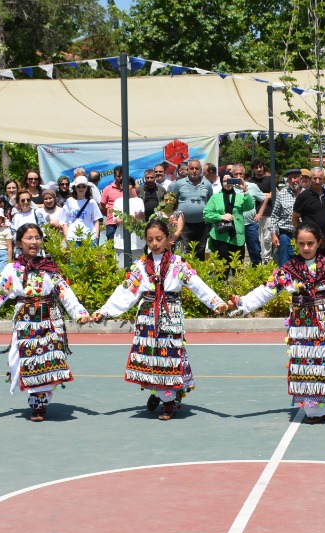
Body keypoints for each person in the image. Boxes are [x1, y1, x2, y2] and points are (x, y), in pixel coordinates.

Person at [88, 217, 236, 420]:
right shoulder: (141, 266)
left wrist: (215, 302)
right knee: (151, 356)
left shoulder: (178, 264)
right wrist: (104, 311)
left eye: (159, 239)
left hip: (170, 313)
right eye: (150, 240)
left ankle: (168, 401)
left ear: (168, 239)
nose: (155, 244)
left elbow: (197, 284)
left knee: (168, 356)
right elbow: (126, 292)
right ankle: (157, 393)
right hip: (148, 315)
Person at [230, 223, 325, 424]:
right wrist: (242, 304)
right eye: (301, 243)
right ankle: (314, 407)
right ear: (295, 243)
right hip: (301, 324)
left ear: (319, 243)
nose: (306, 248)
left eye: (310, 243)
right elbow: (266, 291)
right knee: (306, 364)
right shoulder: (289, 269)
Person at [0, 223, 92, 421]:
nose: (33, 242)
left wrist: (79, 313)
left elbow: (65, 292)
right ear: (19, 243)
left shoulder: (49, 268)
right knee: (20, 360)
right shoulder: (12, 269)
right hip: (25, 322)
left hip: (48, 320)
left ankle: (39, 404)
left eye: (37, 238)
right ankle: (36, 398)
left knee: (46, 361)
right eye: (29, 238)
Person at [203, 167, 253, 263]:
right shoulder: (215, 197)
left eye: (229, 180)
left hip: (237, 237)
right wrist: (220, 217)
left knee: (237, 269)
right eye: (225, 181)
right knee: (222, 270)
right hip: (221, 237)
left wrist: (245, 190)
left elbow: (250, 206)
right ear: (221, 182)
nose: (227, 183)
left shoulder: (240, 196)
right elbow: (206, 214)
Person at [293, 167, 325, 260]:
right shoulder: (303, 196)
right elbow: (295, 218)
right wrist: (302, 233)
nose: (317, 181)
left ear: (324, 179)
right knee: (312, 267)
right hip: (311, 241)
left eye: (320, 178)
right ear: (310, 179)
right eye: (314, 178)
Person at [171, 160, 213, 258]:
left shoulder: (207, 184)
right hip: (184, 225)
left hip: (203, 224)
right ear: (187, 170)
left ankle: (199, 272)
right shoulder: (179, 184)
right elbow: (172, 201)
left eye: (197, 168)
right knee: (186, 251)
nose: (194, 171)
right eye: (192, 168)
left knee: (200, 250)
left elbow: (211, 202)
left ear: (201, 170)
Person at [269, 167, 302, 264]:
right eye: (290, 178)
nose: (293, 181)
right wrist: (274, 234)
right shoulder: (282, 194)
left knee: (302, 265)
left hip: (303, 235)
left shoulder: (306, 193)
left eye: (295, 177)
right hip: (285, 235)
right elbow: (274, 216)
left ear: (300, 178)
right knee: (284, 265)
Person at [62, 180, 104, 246]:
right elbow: (64, 221)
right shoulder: (69, 201)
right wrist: (66, 237)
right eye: (78, 186)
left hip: (89, 237)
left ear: (87, 188)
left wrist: (96, 237)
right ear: (75, 188)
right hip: (72, 238)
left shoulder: (92, 202)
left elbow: (96, 221)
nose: (81, 189)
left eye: (83, 186)